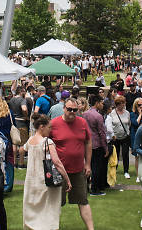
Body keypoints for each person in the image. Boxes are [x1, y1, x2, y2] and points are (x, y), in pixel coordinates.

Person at [49, 98, 95, 230]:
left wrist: (88, 164)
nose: (72, 112)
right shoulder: (54, 123)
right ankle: (52, 227)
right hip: (59, 171)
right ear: (63, 108)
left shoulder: (82, 122)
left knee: (83, 201)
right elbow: (45, 143)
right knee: (56, 203)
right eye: (69, 109)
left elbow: (88, 142)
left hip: (78, 170)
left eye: (75, 110)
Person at [23, 113, 71, 230]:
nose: (50, 130)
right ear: (41, 127)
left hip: (31, 182)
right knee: (48, 209)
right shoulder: (47, 142)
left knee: (34, 210)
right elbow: (57, 162)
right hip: (45, 181)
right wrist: (67, 179)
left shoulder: (30, 141)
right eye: (49, 127)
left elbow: (23, 148)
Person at [84, 95, 108, 195]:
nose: (102, 105)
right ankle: (95, 188)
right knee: (96, 167)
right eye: (101, 102)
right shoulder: (98, 116)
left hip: (86, 143)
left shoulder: (85, 114)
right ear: (97, 103)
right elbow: (101, 133)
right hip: (96, 144)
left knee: (87, 165)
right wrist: (105, 148)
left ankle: (86, 187)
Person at [106, 96, 131, 179]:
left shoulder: (127, 113)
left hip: (125, 136)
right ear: (117, 104)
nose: (123, 105)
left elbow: (129, 123)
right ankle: (114, 170)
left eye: (124, 103)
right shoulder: (112, 113)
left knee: (125, 154)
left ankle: (126, 171)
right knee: (115, 154)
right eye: (121, 103)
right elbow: (109, 125)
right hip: (115, 137)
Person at [8, 86, 30, 167]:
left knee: (14, 143)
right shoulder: (22, 100)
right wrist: (26, 115)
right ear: (21, 91)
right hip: (22, 123)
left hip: (13, 123)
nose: (25, 93)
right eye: (24, 91)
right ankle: (21, 163)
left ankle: (13, 162)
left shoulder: (11, 100)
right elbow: (24, 108)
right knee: (22, 144)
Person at [130, 97, 142, 183]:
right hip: (135, 136)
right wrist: (140, 114)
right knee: (137, 156)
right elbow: (135, 123)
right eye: (139, 105)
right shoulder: (132, 114)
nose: (141, 106)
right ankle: (138, 175)